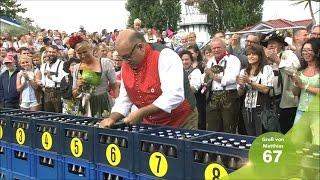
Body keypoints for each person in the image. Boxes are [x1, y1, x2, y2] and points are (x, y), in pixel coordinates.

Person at [99, 29, 198, 129]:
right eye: (122, 58)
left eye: (128, 57)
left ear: (140, 47)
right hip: (151, 123)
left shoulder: (165, 56)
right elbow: (125, 98)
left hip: (181, 120)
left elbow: (174, 95)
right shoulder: (127, 64)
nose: (125, 62)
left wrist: (141, 112)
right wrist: (112, 118)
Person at [69, 35, 119, 118]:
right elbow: (74, 94)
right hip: (85, 106)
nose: (83, 55)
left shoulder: (105, 63)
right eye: (79, 53)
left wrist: (118, 107)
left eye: (85, 52)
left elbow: (114, 86)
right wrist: (78, 87)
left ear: (91, 49)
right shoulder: (76, 68)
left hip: (103, 103)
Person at [261, 31, 300, 134]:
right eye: (268, 43)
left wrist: (277, 60)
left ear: (282, 45)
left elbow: (295, 71)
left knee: (285, 132)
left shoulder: (288, 54)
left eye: (274, 42)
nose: (270, 45)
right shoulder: (263, 59)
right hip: (268, 102)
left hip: (286, 103)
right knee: (269, 132)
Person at [204, 37, 241, 133]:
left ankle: (229, 146)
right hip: (213, 95)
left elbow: (233, 78)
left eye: (219, 47)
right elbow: (205, 79)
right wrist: (206, 77)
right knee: (212, 126)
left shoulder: (233, 59)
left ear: (225, 47)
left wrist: (213, 76)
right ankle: (214, 147)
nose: (216, 50)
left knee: (229, 126)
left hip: (229, 94)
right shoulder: (210, 61)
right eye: (214, 48)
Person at [236, 44, 274, 136]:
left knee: (261, 135)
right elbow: (239, 94)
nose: (250, 56)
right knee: (250, 135)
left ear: (260, 56)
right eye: (249, 54)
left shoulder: (266, 69)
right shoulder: (244, 71)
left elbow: (265, 89)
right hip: (246, 108)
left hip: (261, 109)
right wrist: (241, 85)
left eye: (254, 54)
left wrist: (249, 82)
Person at [292, 38, 320, 123]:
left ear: (317, 51)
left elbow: (303, 87)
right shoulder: (301, 71)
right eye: (304, 50)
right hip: (301, 110)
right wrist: (296, 83)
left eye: (309, 50)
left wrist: (304, 86)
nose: (306, 53)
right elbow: (295, 93)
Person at [40, 45, 65, 113]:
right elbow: (43, 79)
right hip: (46, 92)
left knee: (59, 114)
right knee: (48, 115)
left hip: (57, 92)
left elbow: (64, 80)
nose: (51, 54)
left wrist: (52, 78)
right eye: (49, 52)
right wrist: (40, 83)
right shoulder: (43, 66)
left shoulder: (62, 64)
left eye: (53, 52)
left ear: (57, 53)